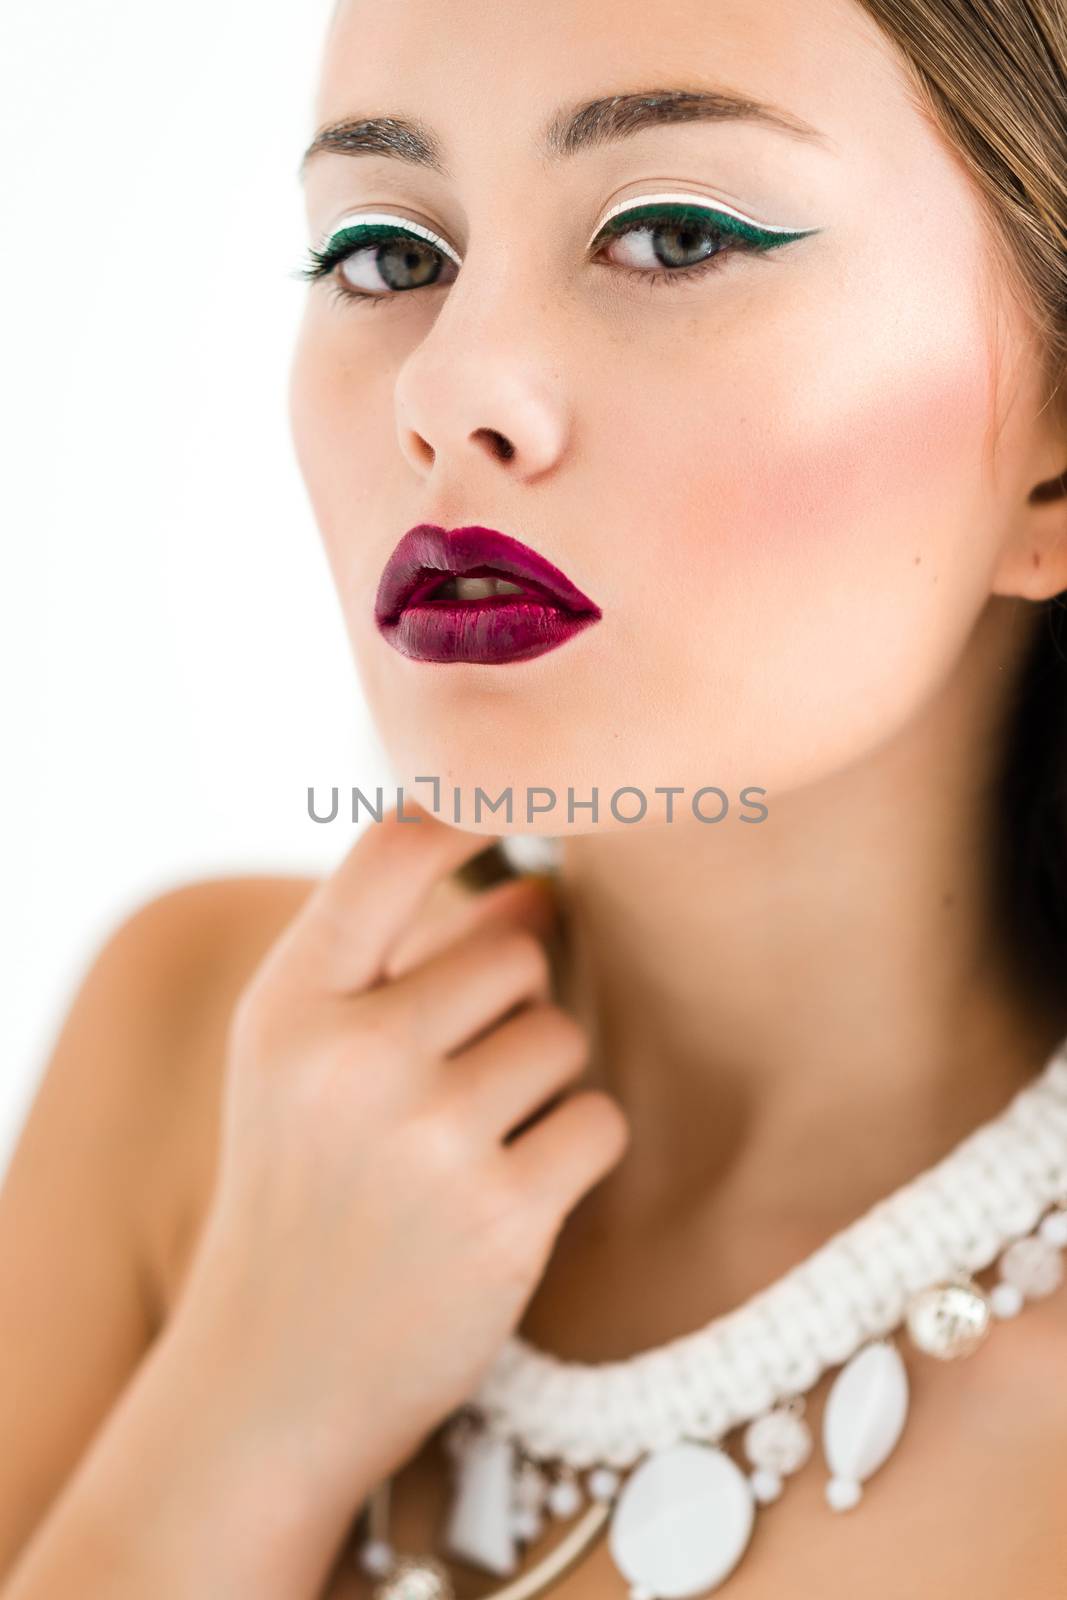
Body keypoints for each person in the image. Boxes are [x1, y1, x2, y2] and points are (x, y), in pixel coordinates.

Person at [2, 0, 1067, 1594]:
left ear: (1054, 452)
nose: (448, 389)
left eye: (674, 232)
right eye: (386, 252)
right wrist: (246, 1405)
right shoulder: (192, 1056)